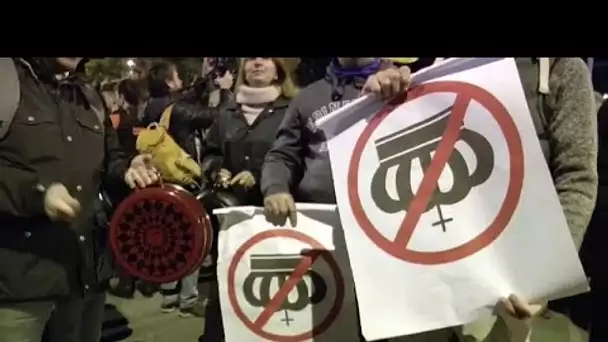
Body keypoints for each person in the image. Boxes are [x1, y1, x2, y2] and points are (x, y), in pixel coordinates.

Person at [0, 57, 157, 342]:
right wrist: (38, 194)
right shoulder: (5, 80)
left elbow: (110, 159)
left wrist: (127, 170)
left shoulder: (88, 95)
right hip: (17, 287)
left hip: (85, 277)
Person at [199, 57, 299, 342]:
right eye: (251, 58)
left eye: (266, 58)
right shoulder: (226, 112)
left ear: (279, 67)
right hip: (230, 223)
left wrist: (260, 176)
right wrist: (216, 170)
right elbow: (210, 152)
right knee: (226, 292)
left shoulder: (292, 108)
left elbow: (299, 157)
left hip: (275, 220)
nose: (257, 62)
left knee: (273, 294)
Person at [143, 60, 222, 317]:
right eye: (177, 77)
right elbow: (215, 117)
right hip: (184, 178)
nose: (180, 80)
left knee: (169, 236)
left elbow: (186, 99)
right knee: (192, 237)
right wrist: (225, 90)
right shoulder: (177, 110)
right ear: (168, 82)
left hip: (160, 178)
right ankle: (188, 300)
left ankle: (168, 295)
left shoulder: (151, 107)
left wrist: (204, 80)